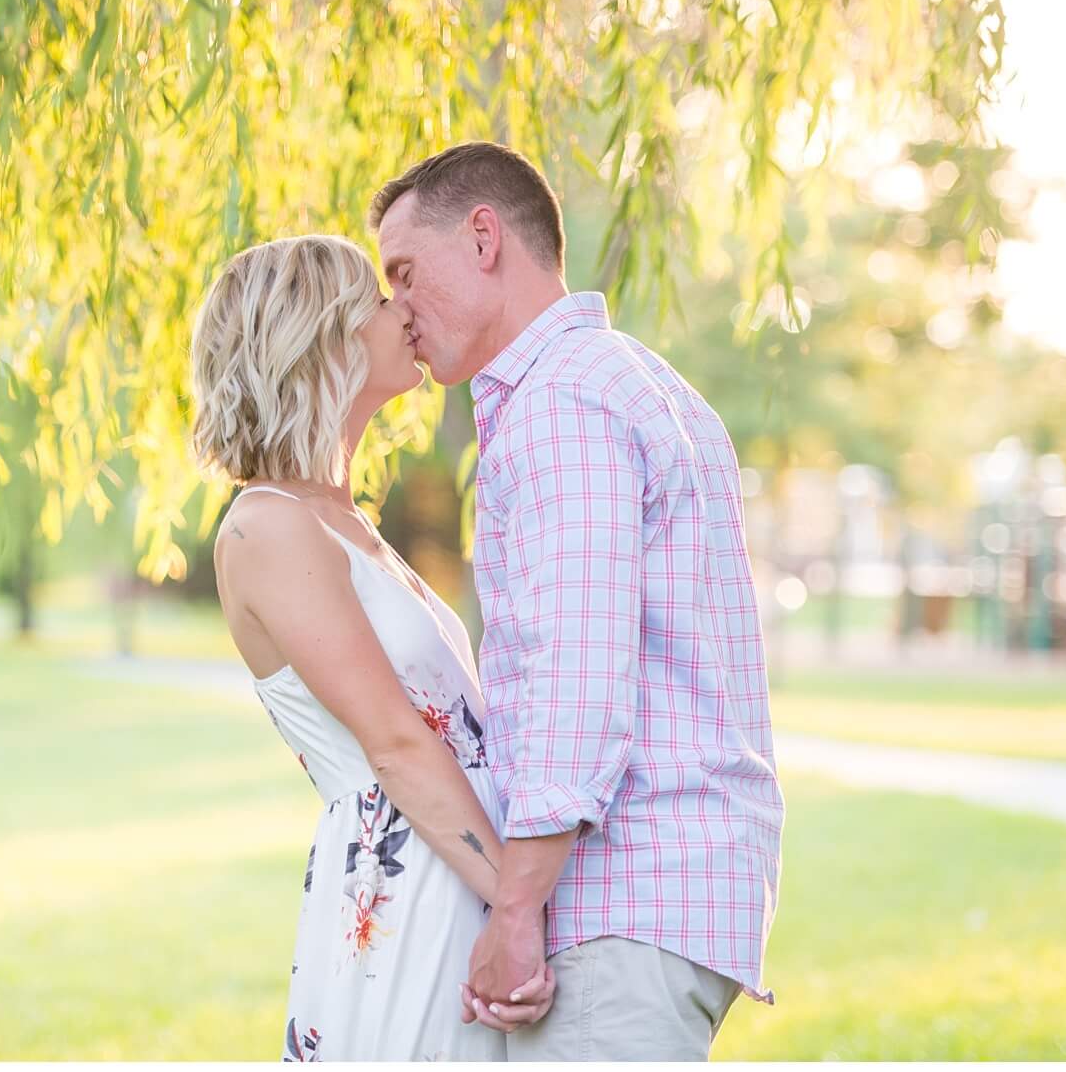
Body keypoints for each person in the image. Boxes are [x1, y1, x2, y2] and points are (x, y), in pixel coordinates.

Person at [370, 141, 785, 1061]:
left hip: (621, 899)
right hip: (668, 898)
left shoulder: (563, 403)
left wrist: (515, 911)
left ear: (484, 238)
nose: (395, 308)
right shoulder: (633, 381)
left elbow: (578, 675)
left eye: (404, 272)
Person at [190, 234, 552, 1060]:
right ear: (324, 337)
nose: (406, 312)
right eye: (381, 301)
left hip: (462, 868)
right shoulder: (267, 524)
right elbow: (394, 741)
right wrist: (516, 907)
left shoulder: (347, 519)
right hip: (412, 885)